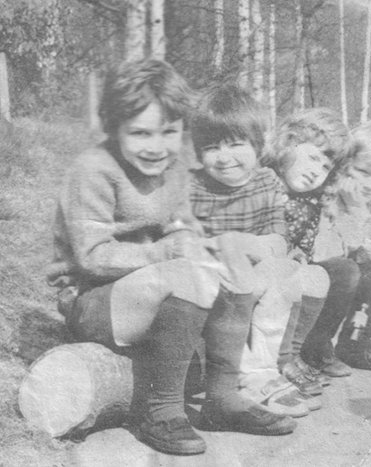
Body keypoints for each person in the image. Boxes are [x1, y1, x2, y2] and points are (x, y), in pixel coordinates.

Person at [45, 59, 294, 458]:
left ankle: (223, 398)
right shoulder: (94, 170)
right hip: (94, 301)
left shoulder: (173, 169)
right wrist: (168, 252)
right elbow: (92, 257)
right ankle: (158, 410)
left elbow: (180, 226)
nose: (156, 146)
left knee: (231, 263)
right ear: (114, 129)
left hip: (150, 286)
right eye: (140, 133)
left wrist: (199, 245)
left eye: (169, 133)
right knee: (190, 276)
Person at [189, 84, 330, 417]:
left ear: (257, 146)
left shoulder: (266, 181)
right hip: (213, 285)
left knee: (284, 269)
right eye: (212, 148)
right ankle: (251, 376)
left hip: (252, 277)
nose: (225, 157)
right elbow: (183, 244)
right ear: (198, 153)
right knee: (256, 271)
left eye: (237, 144)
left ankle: (265, 369)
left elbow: (278, 238)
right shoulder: (192, 187)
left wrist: (248, 245)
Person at [279, 121, 371, 377]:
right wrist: (354, 214)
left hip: (328, 283)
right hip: (305, 287)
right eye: (363, 172)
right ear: (344, 166)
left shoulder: (365, 205)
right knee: (346, 269)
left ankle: (357, 344)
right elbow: (326, 255)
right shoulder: (324, 196)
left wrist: (364, 211)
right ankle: (314, 348)